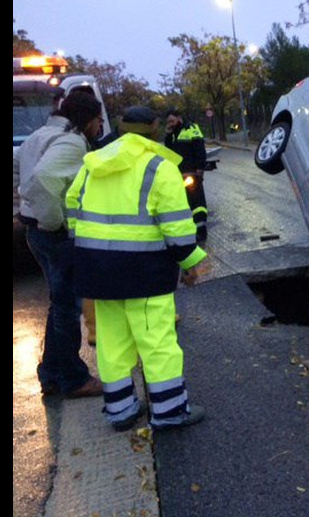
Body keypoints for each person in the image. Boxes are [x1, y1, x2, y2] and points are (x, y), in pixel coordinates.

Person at [66, 105, 210, 432]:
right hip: (144, 274)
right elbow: (177, 229)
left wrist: (89, 250)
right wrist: (190, 265)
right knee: (157, 343)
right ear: (155, 129)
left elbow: (73, 208)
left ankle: (120, 411)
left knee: (113, 344)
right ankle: (170, 411)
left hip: (98, 272)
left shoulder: (93, 163)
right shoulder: (159, 167)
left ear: (121, 128)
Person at [14, 90, 105, 398]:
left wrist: (25, 207)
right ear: (86, 118)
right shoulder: (72, 142)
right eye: (97, 119)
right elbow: (44, 178)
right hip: (54, 234)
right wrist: (52, 220)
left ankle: (51, 373)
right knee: (67, 308)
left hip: (34, 231)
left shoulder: (39, 135)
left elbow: (20, 169)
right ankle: (72, 378)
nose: (101, 124)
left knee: (59, 305)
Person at [163, 108, 208, 241]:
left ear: (179, 118)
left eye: (172, 120)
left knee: (197, 204)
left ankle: (201, 231)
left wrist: (200, 168)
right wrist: (168, 135)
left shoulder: (191, 128)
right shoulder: (172, 134)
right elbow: (169, 151)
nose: (170, 124)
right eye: (168, 122)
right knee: (184, 203)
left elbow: (200, 149)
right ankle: (189, 230)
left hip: (191, 173)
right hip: (177, 175)